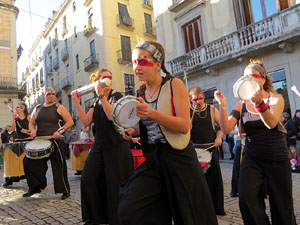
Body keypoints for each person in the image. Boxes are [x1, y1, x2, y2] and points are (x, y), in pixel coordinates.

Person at [118, 41, 218, 225]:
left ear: (158, 64)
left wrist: (151, 113)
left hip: (179, 158)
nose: (137, 67)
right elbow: (147, 126)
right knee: (129, 208)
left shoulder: (174, 84)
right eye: (134, 62)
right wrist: (132, 131)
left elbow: (184, 125)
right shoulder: (141, 91)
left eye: (142, 61)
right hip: (154, 158)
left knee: (191, 216)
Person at [215, 59, 296, 225]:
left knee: (282, 204)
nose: (248, 80)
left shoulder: (275, 99)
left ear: (263, 80)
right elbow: (227, 127)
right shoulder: (241, 104)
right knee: (246, 198)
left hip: (276, 157)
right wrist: (222, 106)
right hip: (252, 157)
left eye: (253, 76)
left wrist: (259, 104)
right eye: (245, 77)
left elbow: (272, 123)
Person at [72, 68, 134, 225]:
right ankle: (94, 218)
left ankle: (116, 219)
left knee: (115, 184)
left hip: (116, 145)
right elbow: (86, 121)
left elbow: (111, 116)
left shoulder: (117, 96)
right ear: (98, 81)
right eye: (104, 77)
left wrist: (102, 96)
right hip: (99, 145)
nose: (108, 79)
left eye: (110, 77)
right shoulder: (95, 101)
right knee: (88, 177)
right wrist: (77, 103)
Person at [23, 87, 73, 200]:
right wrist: (32, 130)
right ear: (45, 95)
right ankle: (35, 187)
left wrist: (59, 131)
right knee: (28, 162)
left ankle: (64, 190)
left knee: (59, 165)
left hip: (55, 139)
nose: (51, 95)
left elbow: (70, 122)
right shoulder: (37, 108)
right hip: (40, 140)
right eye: (49, 93)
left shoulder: (59, 107)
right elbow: (31, 123)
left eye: (53, 94)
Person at [189, 86, 226, 215]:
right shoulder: (187, 111)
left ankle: (217, 208)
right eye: (195, 99)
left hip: (210, 148)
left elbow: (222, 125)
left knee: (214, 178)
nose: (198, 101)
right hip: (195, 150)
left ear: (203, 97)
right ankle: (199, 207)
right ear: (190, 99)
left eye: (200, 98)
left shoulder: (211, 109)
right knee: (197, 179)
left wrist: (219, 137)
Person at [2, 103, 31, 187]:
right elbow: (13, 129)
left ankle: (29, 177)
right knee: (11, 158)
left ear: (22, 108)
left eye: (18, 107)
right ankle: (9, 179)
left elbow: (33, 129)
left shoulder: (28, 116)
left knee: (27, 161)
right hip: (19, 139)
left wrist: (26, 131)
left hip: (28, 140)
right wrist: (14, 118)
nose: (16, 108)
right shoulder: (16, 118)